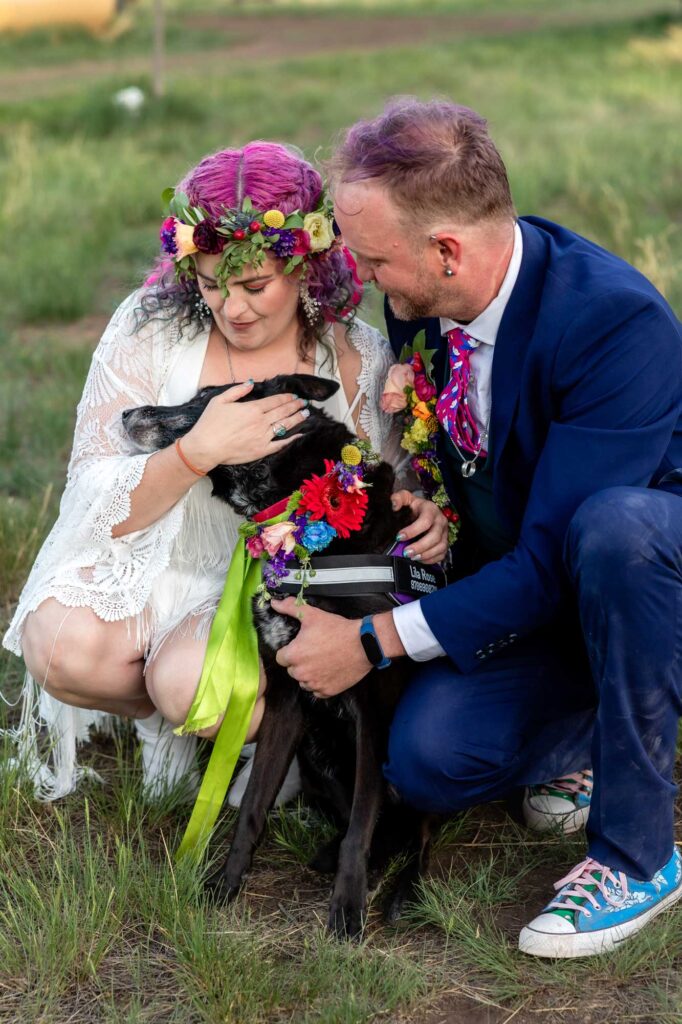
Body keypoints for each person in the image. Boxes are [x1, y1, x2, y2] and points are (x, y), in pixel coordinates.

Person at [270, 98, 682, 959]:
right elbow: (474, 457)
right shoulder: (424, 302)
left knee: (614, 529)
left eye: (374, 259)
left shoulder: (614, 322)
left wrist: (375, 640)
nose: (364, 275)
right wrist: (432, 507)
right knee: (427, 761)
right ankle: (589, 732)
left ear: (446, 251)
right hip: (543, 589)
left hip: (642, 575)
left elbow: (552, 557)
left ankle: (639, 852)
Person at [1, 140, 449, 804]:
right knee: (62, 648)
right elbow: (93, 500)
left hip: (273, 580)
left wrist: (424, 504)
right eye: (211, 285)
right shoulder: (149, 329)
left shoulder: (352, 353)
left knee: (191, 683)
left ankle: (276, 739)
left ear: (306, 266)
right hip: (157, 550)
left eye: (254, 286)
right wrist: (193, 452)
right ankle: (177, 721)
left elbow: (394, 487)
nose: (231, 308)